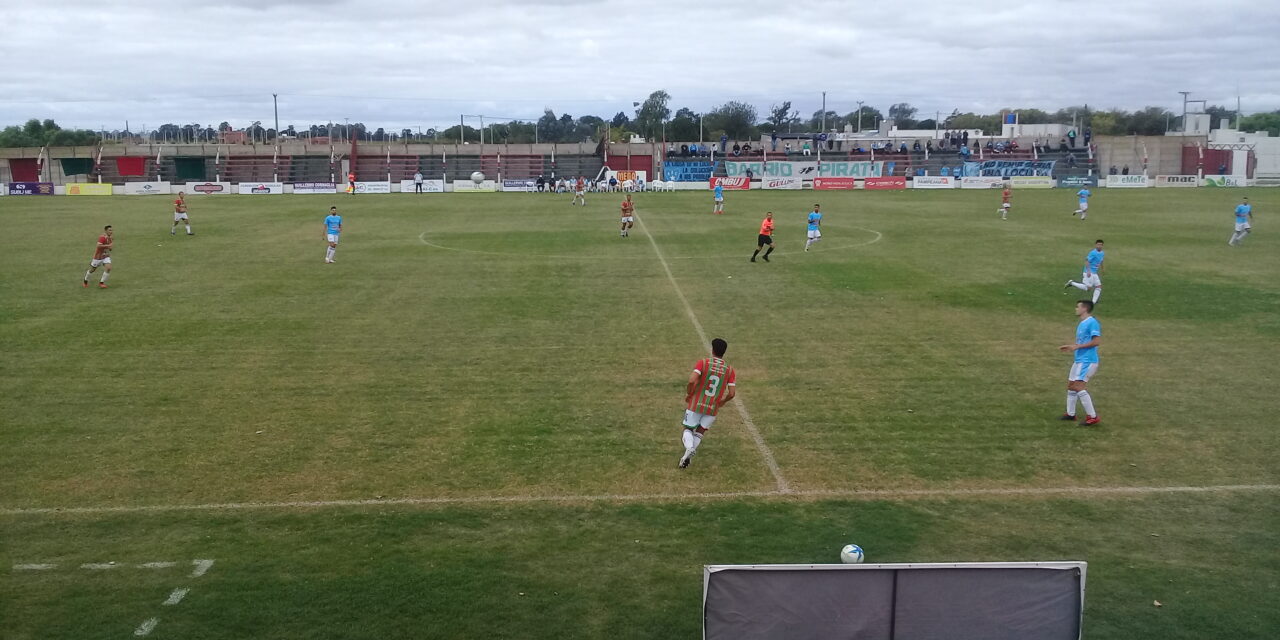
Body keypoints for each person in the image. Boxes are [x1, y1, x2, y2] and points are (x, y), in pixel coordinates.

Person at [679, 337, 737, 469]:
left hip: (696, 404)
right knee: (699, 432)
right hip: (712, 408)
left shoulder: (703, 363)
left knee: (688, 429)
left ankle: (689, 448)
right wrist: (722, 402)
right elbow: (732, 393)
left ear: (712, 349)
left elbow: (692, 380)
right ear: (724, 352)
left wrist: (689, 393)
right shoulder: (729, 370)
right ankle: (687, 455)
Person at [1059, 299, 1102, 426]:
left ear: (1084, 308)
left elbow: (1096, 342)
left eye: (1078, 307)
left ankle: (1093, 416)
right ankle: (1070, 414)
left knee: (1078, 386)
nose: (1076, 309)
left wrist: (1077, 347)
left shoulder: (1092, 323)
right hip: (1079, 360)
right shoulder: (1082, 323)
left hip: (1087, 361)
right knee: (1071, 385)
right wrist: (1072, 346)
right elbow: (1083, 341)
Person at [1065, 239, 1105, 304]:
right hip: (1088, 272)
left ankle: (1093, 302)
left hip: (1094, 273)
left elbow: (1101, 260)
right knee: (1088, 288)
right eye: (1098, 244)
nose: (1099, 246)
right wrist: (1088, 271)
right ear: (1095, 245)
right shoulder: (1093, 253)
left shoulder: (1102, 253)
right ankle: (1071, 283)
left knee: (1098, 286)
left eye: (1101, 245)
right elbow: (1087, 261)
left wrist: (1103, 268)